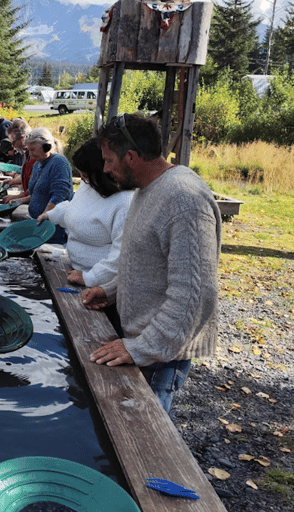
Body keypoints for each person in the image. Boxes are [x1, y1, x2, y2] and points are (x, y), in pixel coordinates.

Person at [83, 113, 221, 416]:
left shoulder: (183, 199)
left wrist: (141, 348)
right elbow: (146, 259)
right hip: (145, 344)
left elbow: (196, 295)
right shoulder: (149, 189)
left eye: (108, 161)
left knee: (147, 443)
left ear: (131, 157)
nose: (105, 169)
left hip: (160, 356)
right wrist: (111, 291)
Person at [37, 138, 134, 335]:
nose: (82, 179)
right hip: (77, 273)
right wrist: (51, 215)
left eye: (85, 175)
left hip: (103, 291)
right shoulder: (90, 186)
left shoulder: (124, 203)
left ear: (103, 171)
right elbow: (74, 210)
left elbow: (121, 255)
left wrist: (91, 277)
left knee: (94, 335)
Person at [10, 127, 74, 244]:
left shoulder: (59, 162)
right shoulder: (38, 164)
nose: (30, 154)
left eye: (33, 149)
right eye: (29, 150)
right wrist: (18, 201)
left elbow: (59, 195)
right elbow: (36, 193)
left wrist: (44, 216)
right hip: (39, 224)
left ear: (46, 147)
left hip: (52, 229)